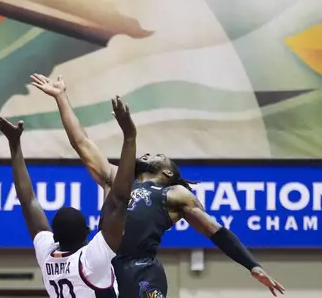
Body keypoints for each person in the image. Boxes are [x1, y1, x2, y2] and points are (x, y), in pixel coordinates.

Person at [30, 73, 286, 298]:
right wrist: (61, 97)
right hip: (106, 266)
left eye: (158, 155)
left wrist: (251, 264)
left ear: (167, 172)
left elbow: (215, 231)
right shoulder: (116, 179)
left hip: (142, 270)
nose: (150, 154)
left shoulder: (175, 193)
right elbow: (82, 143)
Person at [0, 95, 137, 298]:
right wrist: (129, 136)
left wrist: (15, 145)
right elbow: (118, 201)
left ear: (55, 237)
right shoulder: (91, 261)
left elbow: (28, 200)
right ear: (86, 231)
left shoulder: (48, 256)